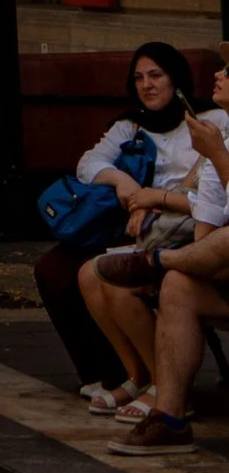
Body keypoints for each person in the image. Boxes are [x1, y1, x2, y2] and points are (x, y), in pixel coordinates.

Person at [70, 48, 215, 410]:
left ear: (177, 79)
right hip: (145, 221)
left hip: (187, 224)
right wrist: (126, 186)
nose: (146, 85)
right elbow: (88, 164)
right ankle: (140, 376)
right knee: (89, 275)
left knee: (119, 284)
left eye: (156, 75)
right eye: (139, 78)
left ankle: (167, 390)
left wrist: (156, 200)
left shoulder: (210, 122)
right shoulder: (130, 124)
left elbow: (208, 189)